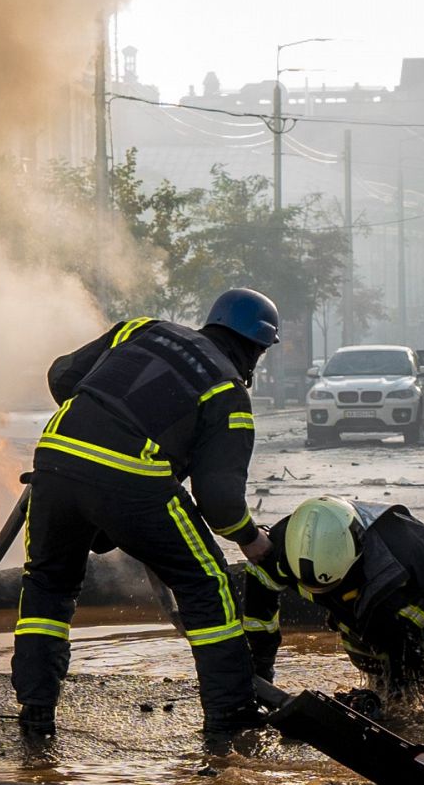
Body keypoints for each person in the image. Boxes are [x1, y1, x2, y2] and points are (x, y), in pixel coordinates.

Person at [14, 289, 279, 749]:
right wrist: (250, 539)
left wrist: (92, 426)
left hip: (54, 462)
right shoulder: (227, 390)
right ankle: (231, 718)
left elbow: (63, 374)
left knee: (48, 585)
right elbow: (219, 503)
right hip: (133, 480)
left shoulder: (143, 328)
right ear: (255, 347)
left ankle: (37, 717)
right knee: (206, 583)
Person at [242, 496, 424, 729]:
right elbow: (259, 613)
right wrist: (261, 668)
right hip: (368, 637)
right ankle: (380, 702)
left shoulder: (410, 547)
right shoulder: (279, 550)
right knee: (391, 715)